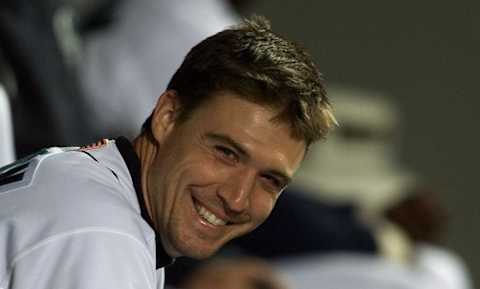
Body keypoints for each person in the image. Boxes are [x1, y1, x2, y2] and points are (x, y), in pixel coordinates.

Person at [0, 16, 336, 289]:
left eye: (270, 180)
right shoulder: (105, 239)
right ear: (167, 117)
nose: (237, 199)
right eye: (226, 153)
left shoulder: (95, 191)